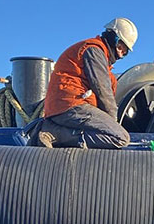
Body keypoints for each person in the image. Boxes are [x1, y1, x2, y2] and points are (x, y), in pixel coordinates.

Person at [30, 18, 138, 149]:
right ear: (112, 37)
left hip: (63, 108)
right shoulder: (94, 51)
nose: (121, 54)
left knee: (112, 134)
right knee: (120, 137)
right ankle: (55, 133)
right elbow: (103, 90)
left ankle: (54, 129)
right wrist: (112, 122)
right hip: (72, 105)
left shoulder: (101, 59)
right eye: (120, 47)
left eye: (125, 52)